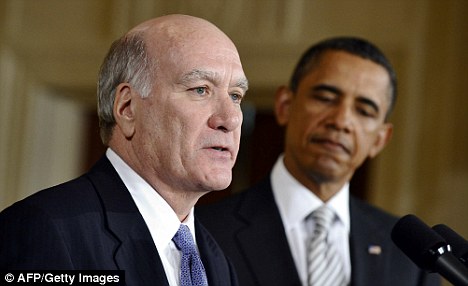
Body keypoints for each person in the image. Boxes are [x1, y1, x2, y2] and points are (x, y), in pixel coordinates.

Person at [0, 14, 248, 286]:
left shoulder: (216, 263)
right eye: (201, 90)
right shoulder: (44, 229)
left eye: (235, 95)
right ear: (127, 108)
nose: (230, 119)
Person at [197, 37, 440, 286]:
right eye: (325, 98)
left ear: (380, 139)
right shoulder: (203, 231)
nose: (341, 121)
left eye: (364, 111)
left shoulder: (410, 256)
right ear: (284, 106)